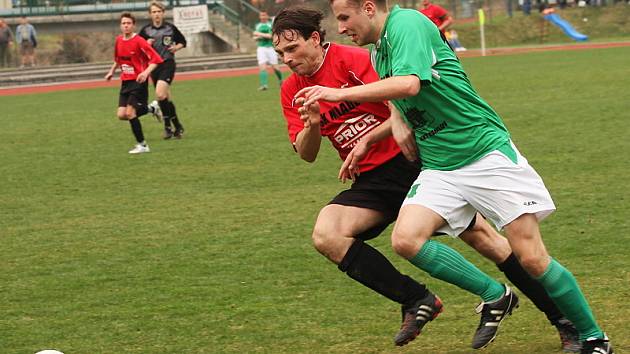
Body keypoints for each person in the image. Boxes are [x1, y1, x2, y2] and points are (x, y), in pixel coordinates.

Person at [296, 1, 613, 353]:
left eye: (344, 17)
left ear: (368, 8)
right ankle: (495, 295)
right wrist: (374, 136)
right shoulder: (379, 51)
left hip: (482, 152)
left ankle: (594, 337)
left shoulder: (407, 24)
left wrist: (339, 93)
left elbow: (410, 84)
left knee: (532, 256)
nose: (340, 28)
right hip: (440, 166)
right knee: (406, 239)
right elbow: (403, 96)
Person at [105, 12, 163, 154]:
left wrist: (145, 73)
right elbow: (118, 59)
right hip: (125, 82)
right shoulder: (118, 40)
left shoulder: (139, 41)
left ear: (133, 25)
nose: (126, 25)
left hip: (138, 82)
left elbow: (156, 59)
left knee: (130, 113)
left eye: (128, 23)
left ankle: (142, 145)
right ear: (120, 25)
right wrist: (111, 71)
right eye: (124, 23)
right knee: (121, 115)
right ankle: (152, 109)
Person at [139, 1, 187, 140]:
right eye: (154, 12)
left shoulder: (170, 28)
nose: (156, 14)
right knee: (165, 98)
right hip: (153, 66)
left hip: (167, 63)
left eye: (159, 12)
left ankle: (167, 126)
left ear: (163, 13)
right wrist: (145, 45)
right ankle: (177, 126)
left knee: (160, 94)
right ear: (150, 14)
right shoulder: (146, 30)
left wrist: (175, 48)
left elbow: (182, 41)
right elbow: (138, 49)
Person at [253, 11, 283, 91]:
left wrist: (259, 34)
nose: (262, 17)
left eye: (264, 15)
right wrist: (258, 36)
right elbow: (255, 37)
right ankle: (264, 85)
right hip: (261, 48)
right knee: (262, 66)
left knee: (275, 67)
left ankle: (281, 81)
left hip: (270, 48)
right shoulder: (258, 25)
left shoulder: (271, 24)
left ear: (267, 16)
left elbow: (270, 36)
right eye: (261, 15)